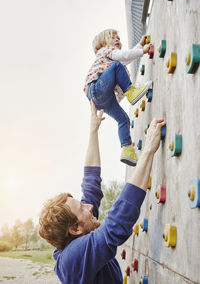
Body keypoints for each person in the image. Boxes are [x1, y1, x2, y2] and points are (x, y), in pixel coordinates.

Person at [39, 100, 165, 284]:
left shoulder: (81, 231)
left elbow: (91, 185)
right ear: (75, 229)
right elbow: (114, 227)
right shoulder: (72, 261)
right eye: (82, 208)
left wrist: (93, 130)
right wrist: (147, 151)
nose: (90, 206)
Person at [84, 29, 152, 166]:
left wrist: (139, 46)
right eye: (112, 37)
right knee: (117, 66)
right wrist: (143, 51)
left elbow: (126, 57)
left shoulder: (110, 58)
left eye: (118, 38)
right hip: (97, 88)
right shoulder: (105, 51)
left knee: (123, 119)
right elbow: (123, 56)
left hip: (101, 99)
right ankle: (131, 92)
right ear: (102, 44)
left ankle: (127, 149)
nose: (117, 40)